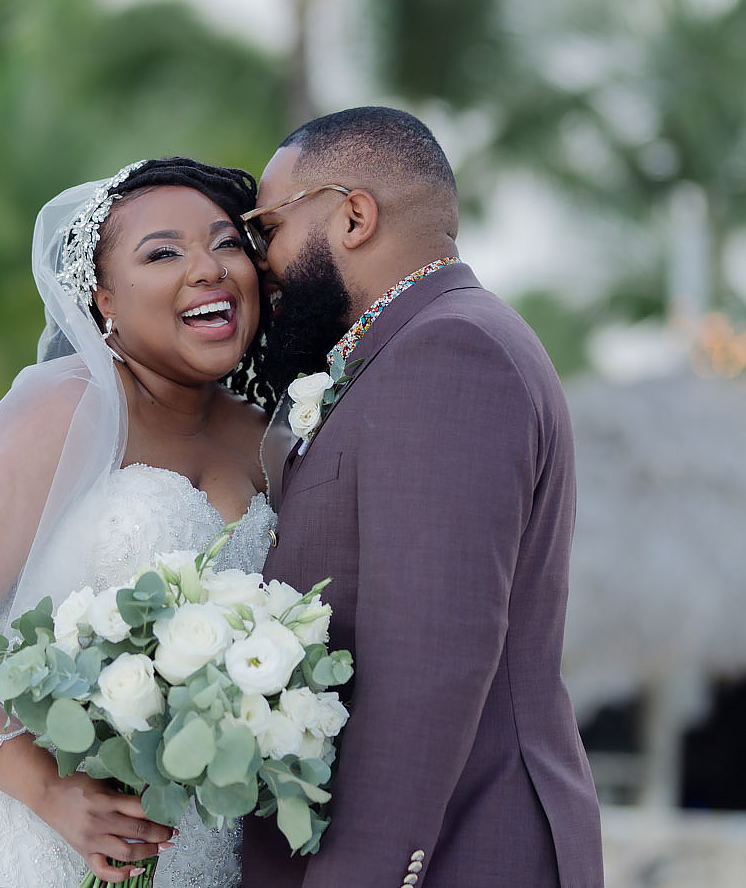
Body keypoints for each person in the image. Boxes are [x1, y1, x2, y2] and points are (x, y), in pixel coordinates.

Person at [0, 158, 285, 888]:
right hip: (18, 829)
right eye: (163, 252)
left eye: (227, 243)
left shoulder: (273, 441)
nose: (208, 268)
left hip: (190, 842)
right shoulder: (66, 410)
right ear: (104, 297)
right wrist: (47, 788)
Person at [237, 107, 603, 888]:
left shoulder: (449, 351)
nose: (258, 256)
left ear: (353, 214)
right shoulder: (410, 347)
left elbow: (430, 663)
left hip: (461, 851)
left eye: (267, 223)